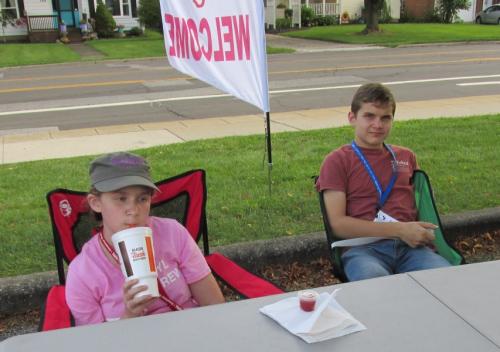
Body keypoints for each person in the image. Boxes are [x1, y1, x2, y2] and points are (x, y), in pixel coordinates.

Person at [66, 152, 225, 326]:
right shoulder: (82, 272)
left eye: (142, 198)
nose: (133, 210)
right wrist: (129, 315)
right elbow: (95, 344)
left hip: (190, 332)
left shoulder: (172, 233)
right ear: (96, 203)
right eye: (121, 198)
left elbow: (214, 305)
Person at [316, 83, 450, 281]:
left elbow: (418, 206)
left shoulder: (405, 157)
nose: (378, 125)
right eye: (369, 116)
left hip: (411, 248)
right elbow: (338, 225)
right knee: (377, 287)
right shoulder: (337, 161)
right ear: (352, 118)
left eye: (385, 118)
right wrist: (400, 230)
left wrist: (420, 231)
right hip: (363, 249)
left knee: (448, 280)